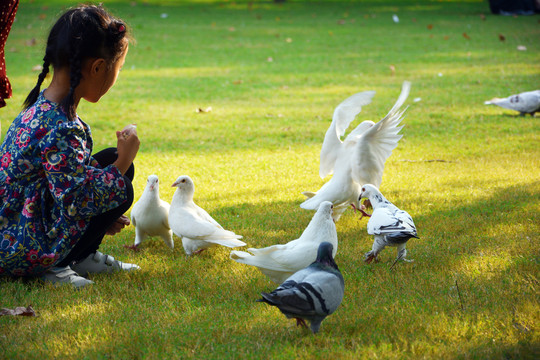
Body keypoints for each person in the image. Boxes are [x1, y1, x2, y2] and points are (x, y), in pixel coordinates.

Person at [0, 4, 140, 287]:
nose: (116, 76)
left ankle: (81, 254)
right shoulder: (63, 128)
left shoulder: (40, 109)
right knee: (121, 181)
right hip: (20, 245)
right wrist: (122, 163)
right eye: (118, 68)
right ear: (98, 67)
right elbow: (76, 201)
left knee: (109, 161)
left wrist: (100, 220)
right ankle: (54, 264)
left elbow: (66, 177)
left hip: (13, 226)